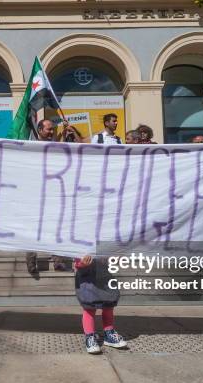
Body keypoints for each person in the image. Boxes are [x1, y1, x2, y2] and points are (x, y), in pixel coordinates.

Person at [26, 120, 70, 274]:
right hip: (35, 194)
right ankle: (31, 261)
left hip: (52, 194)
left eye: (53, 130)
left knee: (54, 227)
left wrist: (64, 134)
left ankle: (58, 260)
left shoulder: (53, 146)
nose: (51, 132)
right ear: (39, 129)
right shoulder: (31, 147)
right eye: (49, 129)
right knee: (33, 229)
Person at [74, 255, 127, 354]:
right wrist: (81, 264)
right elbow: (77, 259)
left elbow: (111, 259)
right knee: (89, 307)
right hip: (87, 277)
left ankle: (109, 333)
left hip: (103, 275)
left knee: (109, 305)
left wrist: (114, 258)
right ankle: (90, 336)